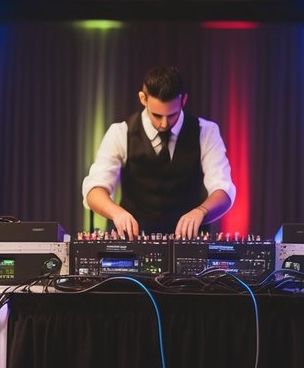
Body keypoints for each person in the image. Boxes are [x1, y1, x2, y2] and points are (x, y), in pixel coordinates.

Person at [82, 64, 235, 239]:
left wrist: (201, 211)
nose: (164, 124)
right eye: (156, 115)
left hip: (188, 243)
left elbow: (224, 190)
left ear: (183, 100)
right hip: (133, 242)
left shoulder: (206, 131)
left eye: (172, 115)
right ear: (143, 99)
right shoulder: (120, 132)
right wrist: (116, 213)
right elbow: (94, 189)